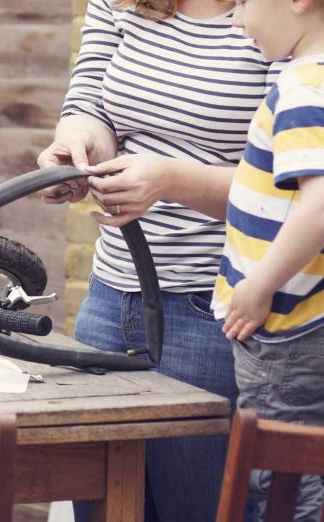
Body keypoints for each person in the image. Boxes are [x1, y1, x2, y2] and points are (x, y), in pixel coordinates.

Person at [38, 0, 281, 520]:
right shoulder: (121, 3)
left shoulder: (276, 12)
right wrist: (79, 148)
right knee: (104, 506)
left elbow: (290, 190)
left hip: (214, 311)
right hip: (108, 298)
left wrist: (171, 179)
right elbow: (90, 105)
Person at [211, 0, 324, 519]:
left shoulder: (303, 86)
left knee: (285, 480)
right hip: (309, 321)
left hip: (285, 329)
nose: (235, 20)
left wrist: (260, 283)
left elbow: (321, 202)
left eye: (245, 3)